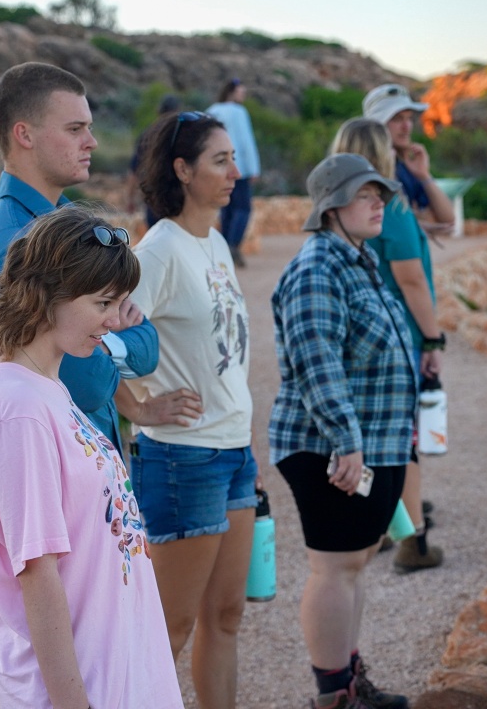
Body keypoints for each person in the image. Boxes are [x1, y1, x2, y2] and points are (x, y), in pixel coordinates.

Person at [0, 203, 183, 708]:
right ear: (47, 295)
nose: (113, 321)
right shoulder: (17, 408)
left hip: (118, 670)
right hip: (84, 685)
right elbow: (36, 571)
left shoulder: (47, 386)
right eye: (103, 303)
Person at [270, 153, 418, 709]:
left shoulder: (358, 259)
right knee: (334, 569)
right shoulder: (318, 268)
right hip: (328, 447)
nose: (379, 201)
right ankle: (333, 696)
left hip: (368, 443)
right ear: (332, 206)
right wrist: (347, 441)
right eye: (365, 194)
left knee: (355, 564)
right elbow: (317, 362)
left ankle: (351, 682)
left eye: (380, 192)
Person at [122, 109, 256, 709]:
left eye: (233, 157)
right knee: (168, 629)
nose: (235, 171)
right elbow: (103, 341)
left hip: (234, 453)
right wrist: (141, 410)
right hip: (182, 460)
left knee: (226, 614)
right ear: (182, 169)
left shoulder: (217, 242)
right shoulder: (160, 251)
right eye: (220, 160)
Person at [0, 62, 159, 455]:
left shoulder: (66, 224)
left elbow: (150, 347)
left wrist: (105, 343)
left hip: (89, 472)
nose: (92, 142)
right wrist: (120, 342)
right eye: (75, 129)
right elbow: (87, 384)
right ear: (25, 135)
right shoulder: (15, 244)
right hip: (53, 472)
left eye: (88, 127)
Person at [330, 118, 444, 574]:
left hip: (352, 336)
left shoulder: (335, 210)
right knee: (403, 440)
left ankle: (374, 528)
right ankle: (412, 541)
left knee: (369, 436)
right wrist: (433, 336)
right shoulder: (389, 208)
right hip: (393, 337)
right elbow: (411, 279)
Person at [362, 83, 455, 232]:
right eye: (397, 119)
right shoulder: (362, 169)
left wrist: (423, 175)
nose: (407, 126)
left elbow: (448, 219)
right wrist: (414, 224)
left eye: (409, 118)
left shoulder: (404, 167)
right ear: (377, 124)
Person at [207, 78, 261, 268]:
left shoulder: (212, 110)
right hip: (240, 168)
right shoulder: (239, 112)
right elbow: (246, 141)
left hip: (217, 167)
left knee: (226, 208)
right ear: (231, 92)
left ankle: (223, 248)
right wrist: (253, 168)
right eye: (240, 92)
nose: (243, 96)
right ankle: (233, 245)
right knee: (243, 208)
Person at [127, 93, 181, 227]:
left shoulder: (147, 134)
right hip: (178, 198)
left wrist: (130, 199)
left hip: (153, 198)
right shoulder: (181, 135)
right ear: (177, 111)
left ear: (159, 111)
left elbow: (134, 171)